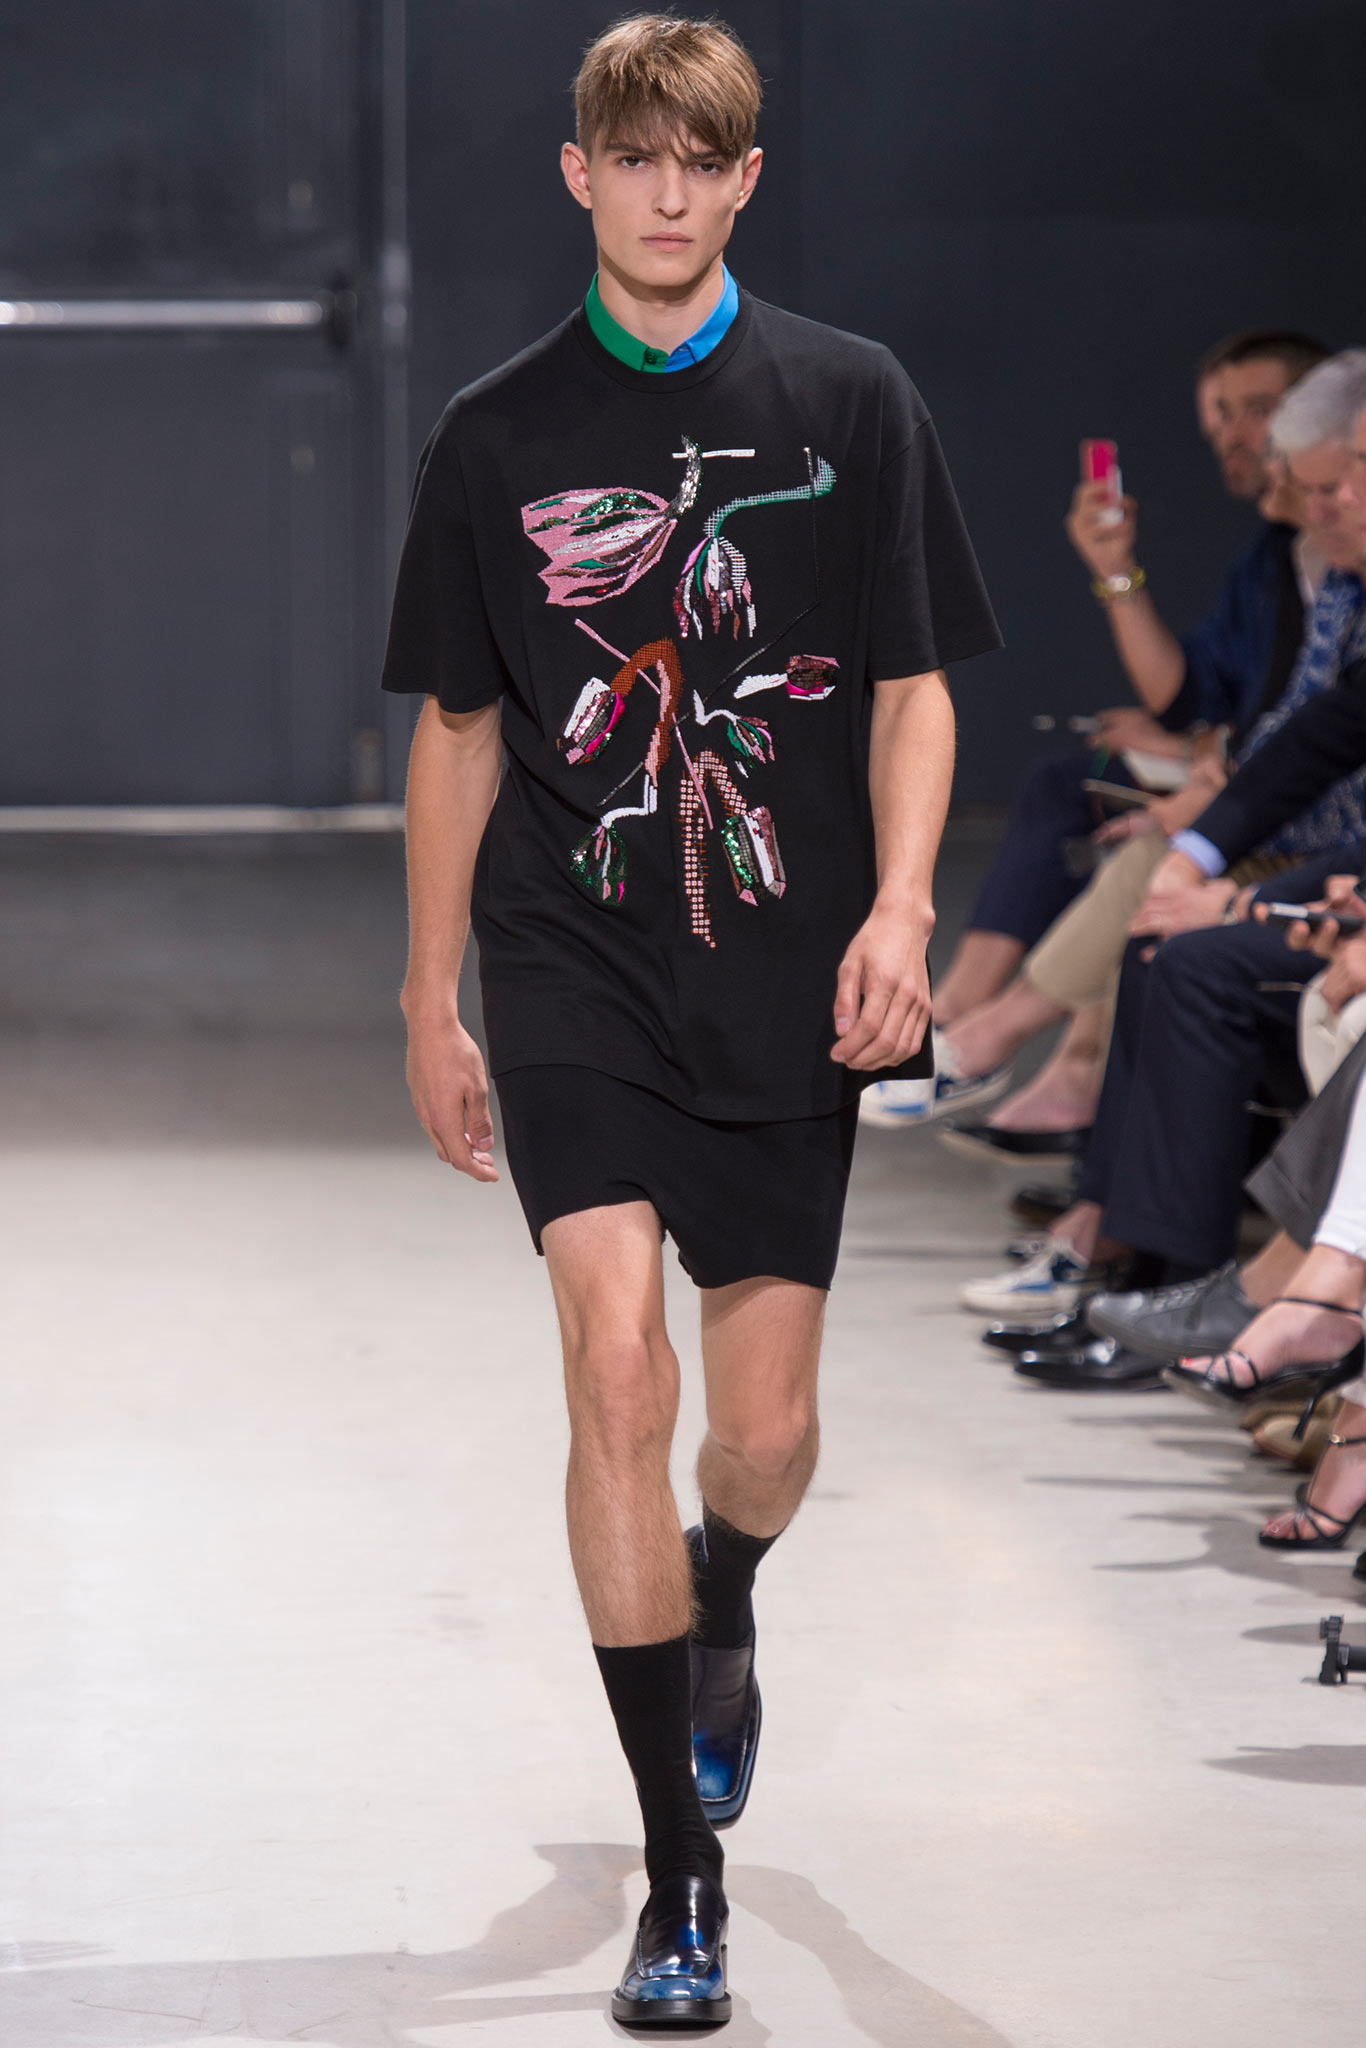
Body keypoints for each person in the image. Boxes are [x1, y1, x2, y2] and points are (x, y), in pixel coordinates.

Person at [380, 15, 999, 2028]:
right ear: (579, 174)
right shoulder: (493, 432)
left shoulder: (850, 395)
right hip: (571, 959)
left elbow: (910, 684)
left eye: (698, 161)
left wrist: (902, 903)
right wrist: (428, 992)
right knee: (616, 1377)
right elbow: (460, 726)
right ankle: (680, 1872)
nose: (663, 194)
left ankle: (724, 1586)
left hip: (788, 960)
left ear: (744, 180)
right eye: (630, 158)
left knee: (764, 1431)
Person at [915, 327, 1330, 1042]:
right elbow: (1190, 696)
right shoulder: (1270, 556)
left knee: (1145, 853)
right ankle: (960, 1014)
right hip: (1246, 776)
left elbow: (1318, 730)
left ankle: (979, 1039)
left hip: (1287, 802)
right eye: (1220, 418)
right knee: (1073, 786)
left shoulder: (1332, 562)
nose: (1236, 437)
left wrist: (1209, 758)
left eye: (1258, 411)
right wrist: (1114, 569)